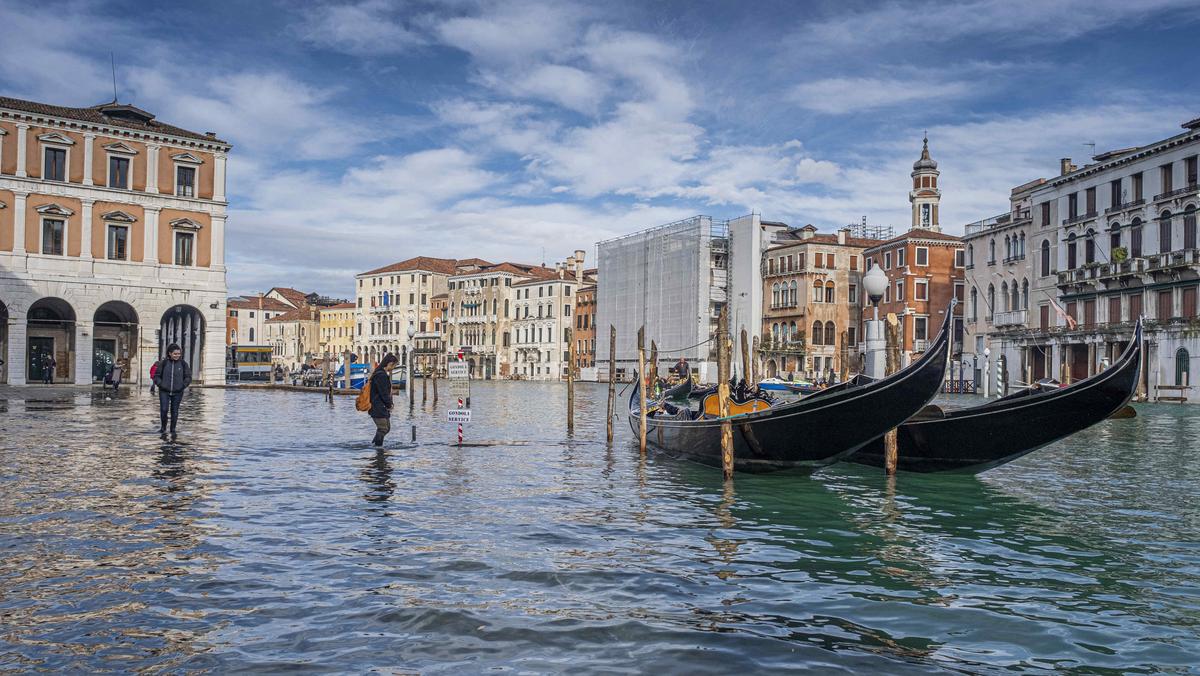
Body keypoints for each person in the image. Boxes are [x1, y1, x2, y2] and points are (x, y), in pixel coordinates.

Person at [153, 344, 192, 441]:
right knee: (164, 410)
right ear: (170, 353)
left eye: (179, 354)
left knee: (175, 411)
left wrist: (182, 386)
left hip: (178, 392)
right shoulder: (164, 363)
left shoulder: (183, 364)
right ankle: (163, 428)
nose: (177, 355)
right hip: (164, 391)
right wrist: (160, 384)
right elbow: (156, 376)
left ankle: (173, 429)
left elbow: (188, 377)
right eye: (175, 354)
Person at [369, 353, 398, 447]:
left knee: (387, 428)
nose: (393, 368)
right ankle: (378, 448)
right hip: (378, 406)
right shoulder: (381, 375)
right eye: (394, 365)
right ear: (390, 363)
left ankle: (374, 444)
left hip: (380, 406)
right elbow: (383, 393)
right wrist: (389, 404)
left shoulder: (380, 373)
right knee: (383, 428)